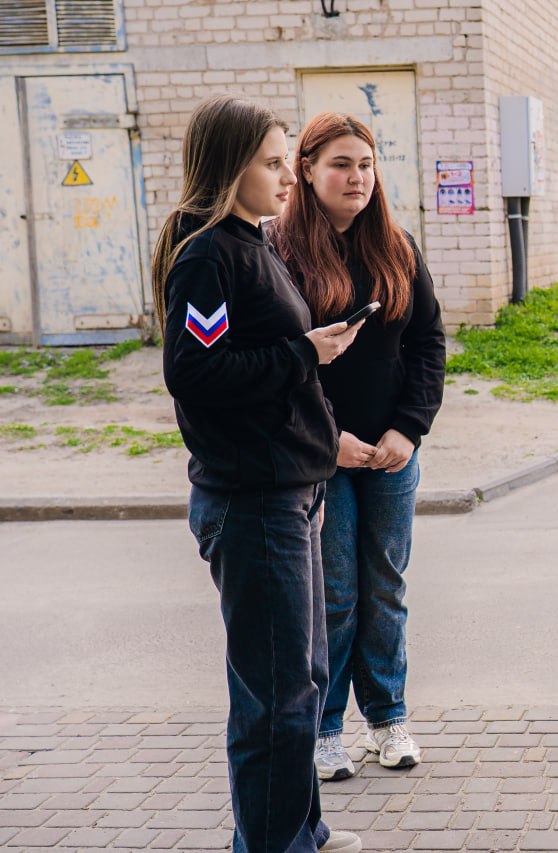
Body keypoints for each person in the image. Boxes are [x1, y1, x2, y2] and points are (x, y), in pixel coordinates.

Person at [153, 95, 364, 853]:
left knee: (301, 679)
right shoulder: (209, 255)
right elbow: (195, 373)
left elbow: (257, 356)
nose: (288, 177)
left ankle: (301, 827)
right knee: (275, 696)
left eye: (286, 162)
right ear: (228, 167)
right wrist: (304, 352)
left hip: (293, 491)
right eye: (273, 163)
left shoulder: (256, 242)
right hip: (253, 501)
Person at [269, 112, 446, 781]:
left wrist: (408, 429)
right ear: (307, 170)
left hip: (392, 454)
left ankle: (387, 717)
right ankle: (325, 728)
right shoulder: (279, 254)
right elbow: (279, 365)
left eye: (366, 164)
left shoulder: (397, 247)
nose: (357, 178)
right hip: (323, 455)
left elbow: (428, 345)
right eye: (341, 164)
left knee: (387, 587)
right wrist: (328, 440)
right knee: (335, 594)